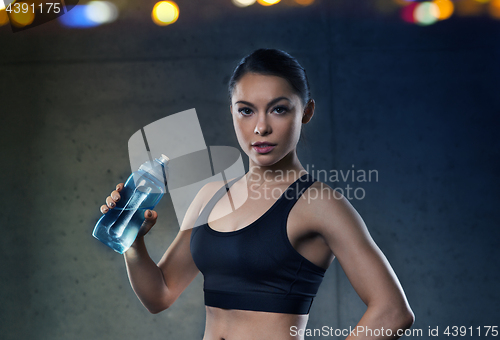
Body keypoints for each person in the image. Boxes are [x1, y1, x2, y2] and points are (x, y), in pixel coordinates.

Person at [100, 48, 414, 340]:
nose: (261, 127)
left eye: (278, 109)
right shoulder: (211, 196)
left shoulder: (319, 203)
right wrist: (132, 240)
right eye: (246, 111)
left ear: (305, 112)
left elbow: (392, 311)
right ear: (232, 113)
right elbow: (160, 295)